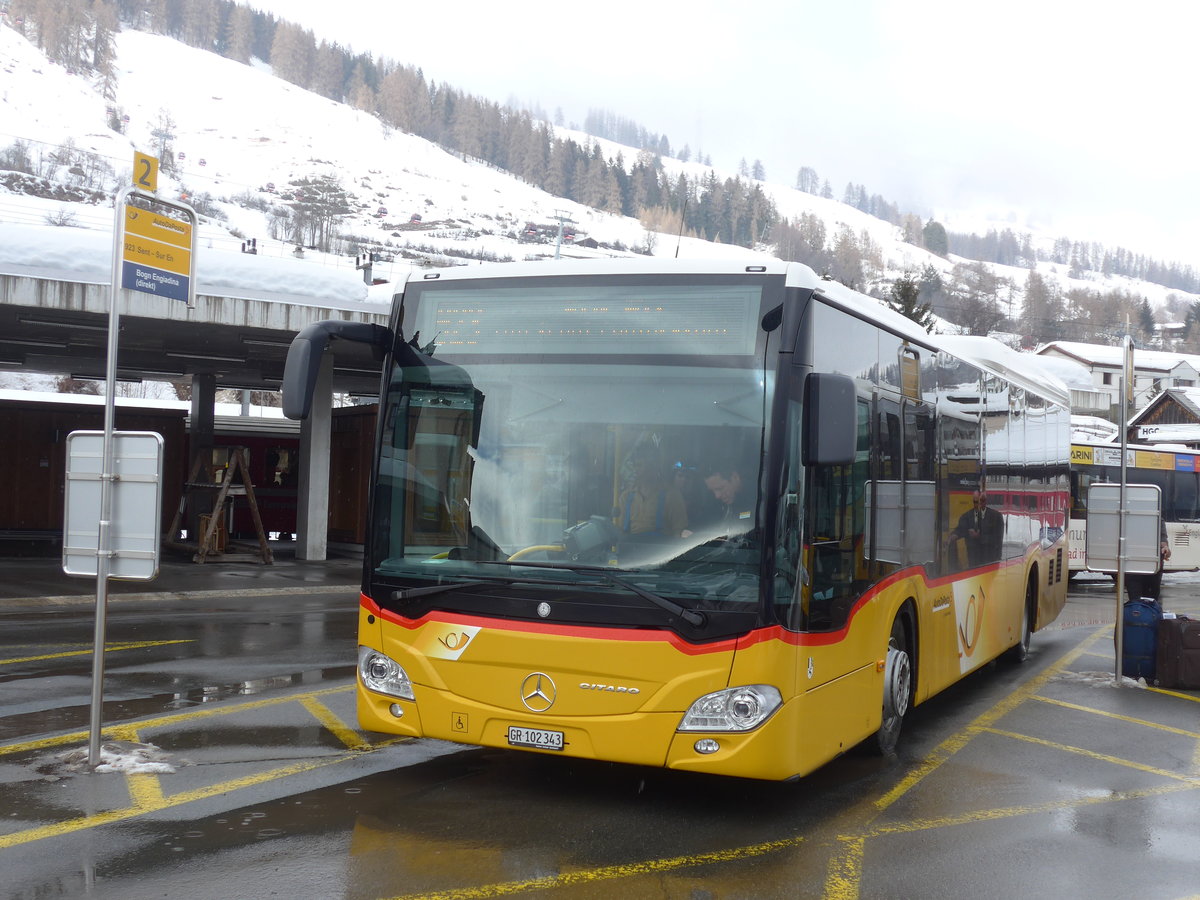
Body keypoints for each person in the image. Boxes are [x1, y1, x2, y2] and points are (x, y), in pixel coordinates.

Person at [617, 446, 689, 541]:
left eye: (640, 465)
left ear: (654, 467)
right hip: (631, 552)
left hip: (661, 553)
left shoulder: (671, 495)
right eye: (635, 465)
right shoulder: (625, 497)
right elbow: (621, 533)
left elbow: (679, 532)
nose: (636, 470)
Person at [947, 489, 1003, 568]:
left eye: (982, 501)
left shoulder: (996, 517)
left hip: (989, 560)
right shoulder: (966, 516)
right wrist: (954, 535)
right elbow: (960, 529)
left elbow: (998, 540)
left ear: (986, 501)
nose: (979, 504)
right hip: (973, 561)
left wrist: (979, 537)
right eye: (976, 502)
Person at [702, 460, 755, 537]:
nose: (717, 496)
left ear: (735, 477)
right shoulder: (715, 504)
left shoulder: (758, 502)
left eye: (720, 488)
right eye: (712, 491)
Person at [1126, 520, 1170, 603]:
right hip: (1133, 563)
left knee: (1151, 598)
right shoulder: (1129, 517)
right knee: (1135, 598)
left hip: (1152, 565)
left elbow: (1163, 539)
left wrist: (1165, 547)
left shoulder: (1158, 518)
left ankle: (1147, 613)